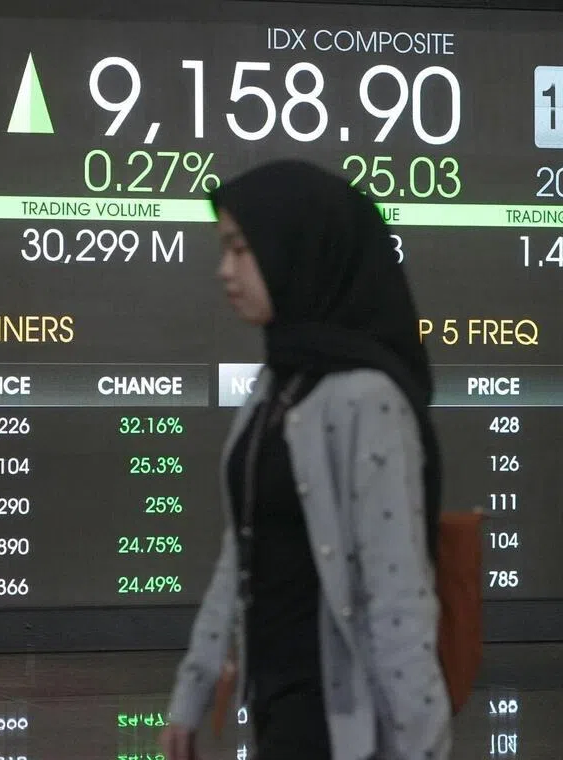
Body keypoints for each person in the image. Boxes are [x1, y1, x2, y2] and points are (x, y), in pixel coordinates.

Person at [159, 160, 451, 760]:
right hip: (278, 710)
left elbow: (398, 600)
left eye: (241, 249)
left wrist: (424, 748)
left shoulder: (367, 399)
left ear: (293, 249)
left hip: (338, 727)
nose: (225, 270)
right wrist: (192, 690)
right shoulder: (275, 386)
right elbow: (241, 550)